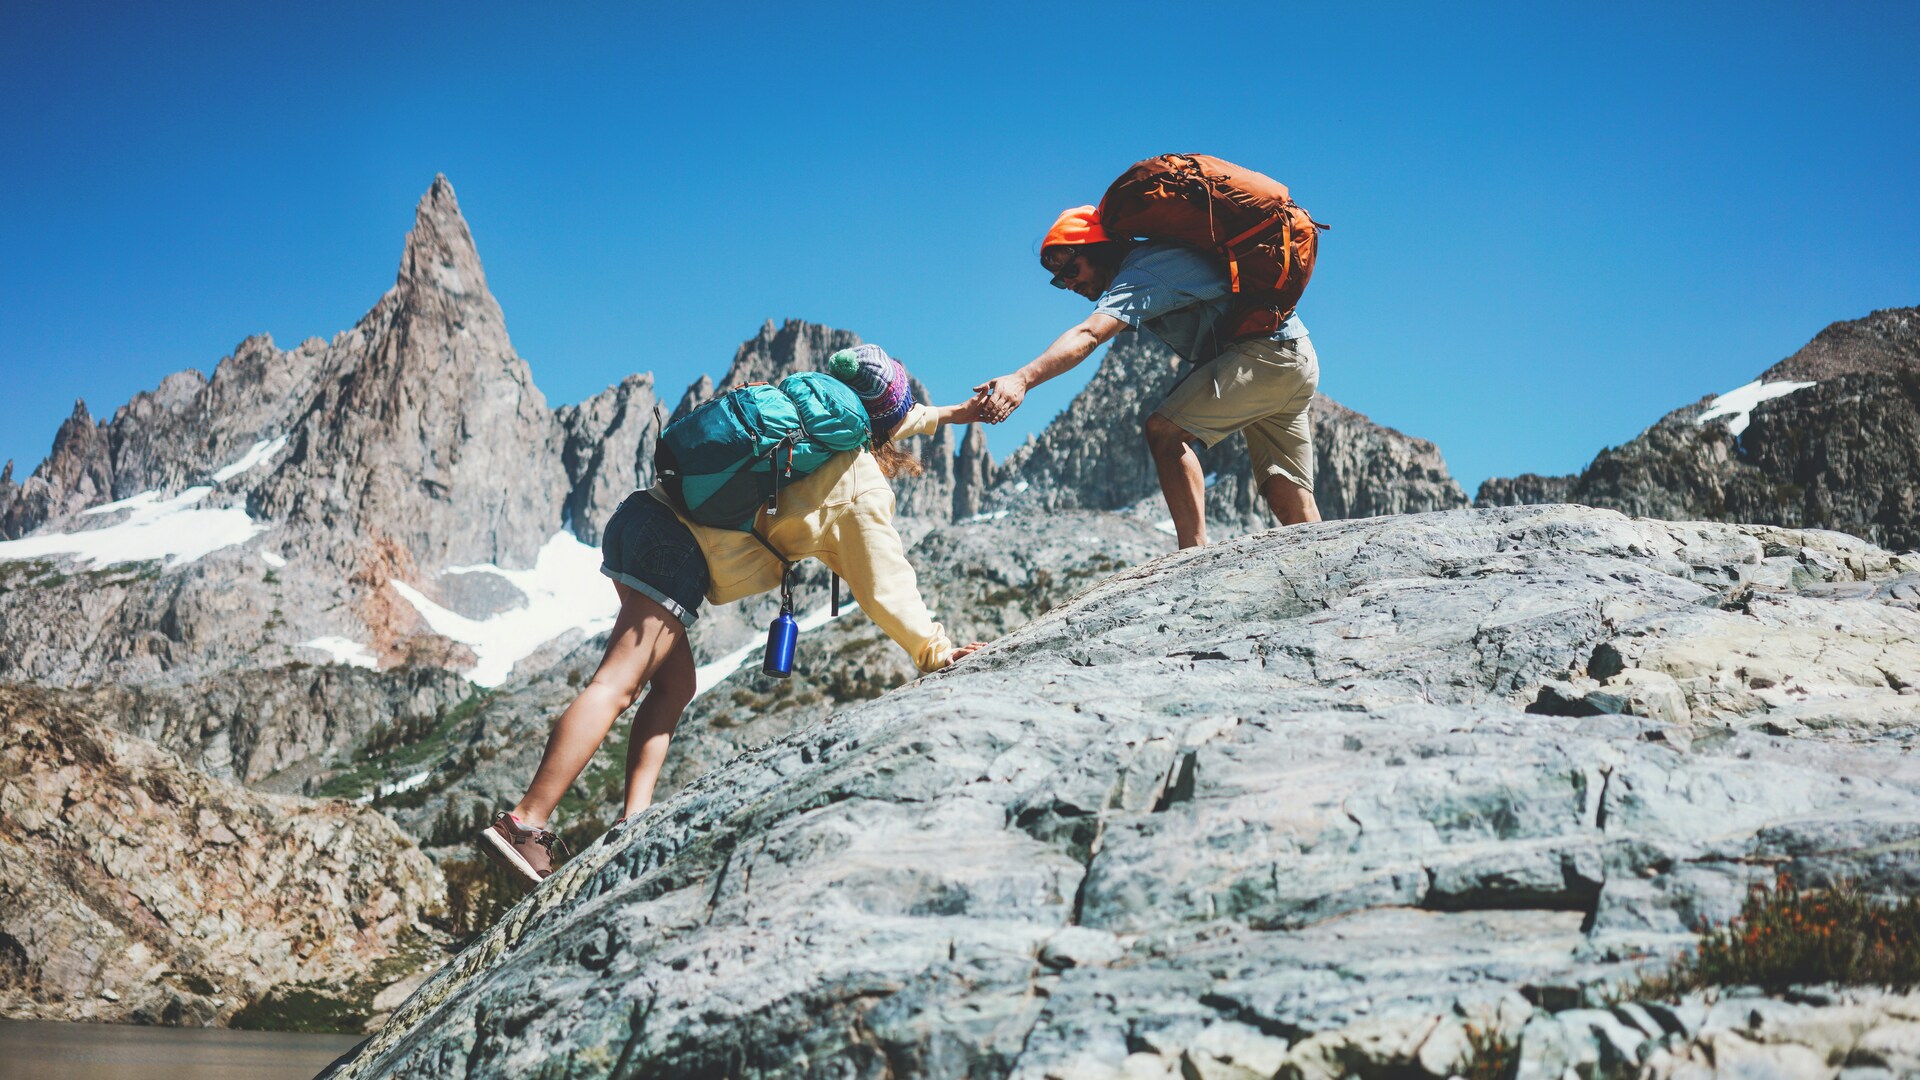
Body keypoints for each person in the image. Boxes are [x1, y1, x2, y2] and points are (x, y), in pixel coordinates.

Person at [482, 344, 987, 887]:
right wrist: (934, 650)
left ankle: (633, 818)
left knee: (676, 686)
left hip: (641, 517)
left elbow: (896, 415)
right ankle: (524, 822)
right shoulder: (857, 481)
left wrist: (956, 414)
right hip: (675, 550)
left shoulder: (805, 415)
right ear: (883, 423)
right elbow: (886, 582)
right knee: (618, 683)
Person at [976, 206, 1321, 548]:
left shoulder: (1143, 270)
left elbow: (1089, 335)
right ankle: (1323, 563)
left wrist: (1022, 378)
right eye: (1058, 279)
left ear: (1098, 248)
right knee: (1286, 491)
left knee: (1165, 432)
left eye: (1071, 269)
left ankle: (1193, 556)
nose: (1068, 283)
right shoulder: (1153, 262)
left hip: (1266, 355)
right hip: (1295, 356)